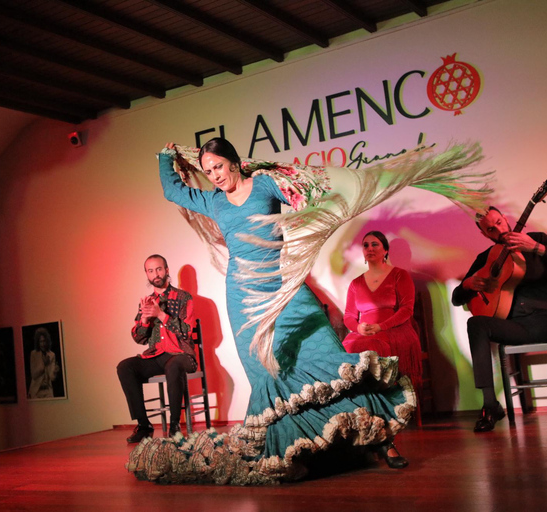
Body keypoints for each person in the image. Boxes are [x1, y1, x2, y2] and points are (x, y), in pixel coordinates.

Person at [128, 138, 490, 485]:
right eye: (209, 170)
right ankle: (292, 452)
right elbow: (173, 190)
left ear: (235, 162)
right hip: (245, 298)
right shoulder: (214, 202)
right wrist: (165, 156)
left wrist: (324, 211)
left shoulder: (265, 184)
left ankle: (381, 441)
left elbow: (308, 194)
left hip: (284, 285)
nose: (216, 175)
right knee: (269, 374)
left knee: (331, 357)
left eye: (219, 166)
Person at [451, 206, 547, 432]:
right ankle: (490, 404)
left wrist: (537, 248)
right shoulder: (486, 258)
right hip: (515, 326)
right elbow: (456, 299)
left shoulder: (536, 239)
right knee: (476, 323)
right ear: (485, 234)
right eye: (490, 229)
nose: (498, 230)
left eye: (499, 222)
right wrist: (468, 284)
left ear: (505, 219)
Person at [117, 254, 197, 443]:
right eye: (151, 270)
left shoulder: (184, 297)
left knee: (173, 365)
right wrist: (144, 320)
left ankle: (175, 425)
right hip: (157, 355)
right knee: (124, 366)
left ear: (167, 270)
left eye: (159, 269)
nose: (156, 274)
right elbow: (139, 338)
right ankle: (144, 426)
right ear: (146, 274)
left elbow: (186, 332)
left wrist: (161, 314)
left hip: (182, 354)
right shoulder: (146, 302)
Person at [342, 231, 422, 394]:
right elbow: (349, 316)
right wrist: (358, 328)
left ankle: (384, 403)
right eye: (366, 245)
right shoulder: (355, 283)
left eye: (375, 244)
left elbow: (407, 309)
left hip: (395, 329)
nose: (369, 248)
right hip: (366, 332)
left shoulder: (400, 275)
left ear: (385, 250)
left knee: (373, 346)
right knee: (346, 347)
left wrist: (381, 326)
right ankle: (359, 404)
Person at [27, 327, 60, 399]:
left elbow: (52, 377)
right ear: (38, 343)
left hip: (48, 391)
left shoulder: (52, 355)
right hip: (36, 391)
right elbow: (34, 375)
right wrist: (44, 365)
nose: (43, 344)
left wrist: (55, 372)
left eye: (44, 341)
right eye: (40, 342)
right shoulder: (33, 354)